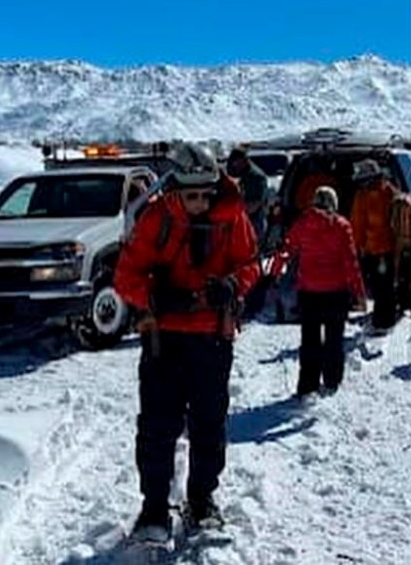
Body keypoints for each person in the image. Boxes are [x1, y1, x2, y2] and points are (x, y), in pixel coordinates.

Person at [114, 142, 260, 541]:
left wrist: (231, 285)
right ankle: (154, 510)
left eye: (205, 194)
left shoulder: (233, 217)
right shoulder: (156, 218)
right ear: (175, 190)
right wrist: (155, 297)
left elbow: (250, 265)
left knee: (209, 425)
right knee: (158, 426)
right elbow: (126, 276)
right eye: (191, 195)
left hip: (213, 337)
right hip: (164, 338)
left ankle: (201, 500)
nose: (199, 202)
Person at [282, 186, 366, 396]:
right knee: (334, 340)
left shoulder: (302, 223)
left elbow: (288, 248)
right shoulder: (341, 225)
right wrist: (359, 292)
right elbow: (350, 263)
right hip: (336, 293)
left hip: (309, 292)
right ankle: (331, 381)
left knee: (309, 340)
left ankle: (307, 385)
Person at [349, 159, 400, 331]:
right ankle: (386, 318)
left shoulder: (363, 196)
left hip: (376, 249)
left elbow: (357, 225)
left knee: (381, 288)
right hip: (387, 248)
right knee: (385, 286)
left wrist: (355, 248)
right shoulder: (390, 191)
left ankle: (382, 322)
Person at [225, 147, 270, 243]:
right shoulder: (242, 174)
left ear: (242, 160)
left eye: (236, 162)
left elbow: (255, 203)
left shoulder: (256, 177)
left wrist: (236, 213)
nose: (235, 165)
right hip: (245, 221)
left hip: (255, 222)